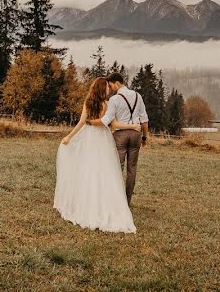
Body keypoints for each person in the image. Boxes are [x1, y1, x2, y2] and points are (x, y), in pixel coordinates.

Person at [54, 77, 140, 233]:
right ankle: (103, 202)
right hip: (103, 138)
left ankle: (88, 202)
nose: (109, 89)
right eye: (107, 87)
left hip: (91, 137)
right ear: (103, 89)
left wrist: (69, 136)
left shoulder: (90, 103)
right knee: (103, 169)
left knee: (90, 168)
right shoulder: (107, 105)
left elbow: (81, 123)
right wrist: (133, 126)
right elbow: (113, 125)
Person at [86, 72, 149, 205]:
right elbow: (144, 119)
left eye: (111, 85)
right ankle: (127, 201)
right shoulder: (138, 96)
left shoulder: (115, 99)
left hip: (120, 135)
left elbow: (106, 120)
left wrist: (91, 122)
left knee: (117, 167)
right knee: (132, 168)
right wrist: (144, 138)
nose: (110, 88)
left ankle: (116, 200)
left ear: (117, 83)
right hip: (136, 135)